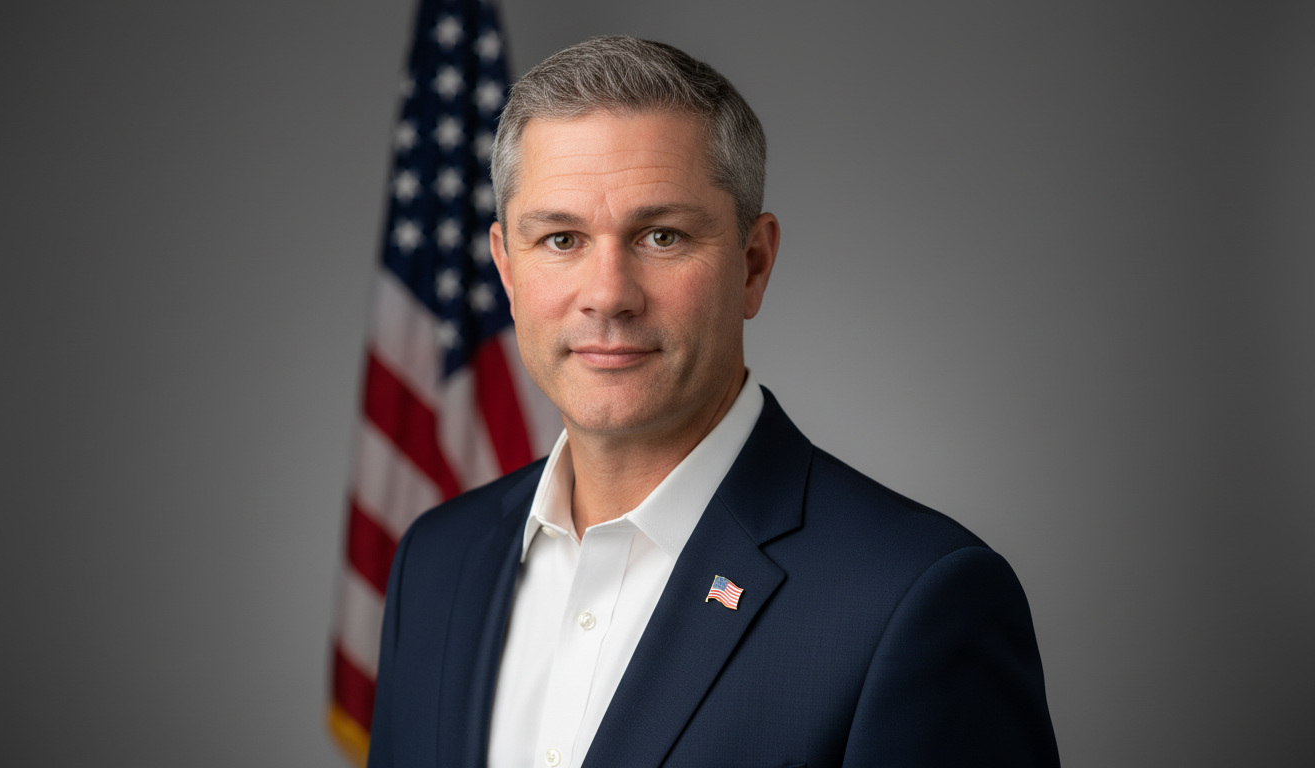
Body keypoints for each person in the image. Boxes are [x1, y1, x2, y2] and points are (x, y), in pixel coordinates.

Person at [366, 35, 1059, 768]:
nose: (607, 295)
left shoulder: (912, 598)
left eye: (661, 236)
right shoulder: (435, 562)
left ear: (753, 264)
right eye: (562, 239)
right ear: (506, 270)